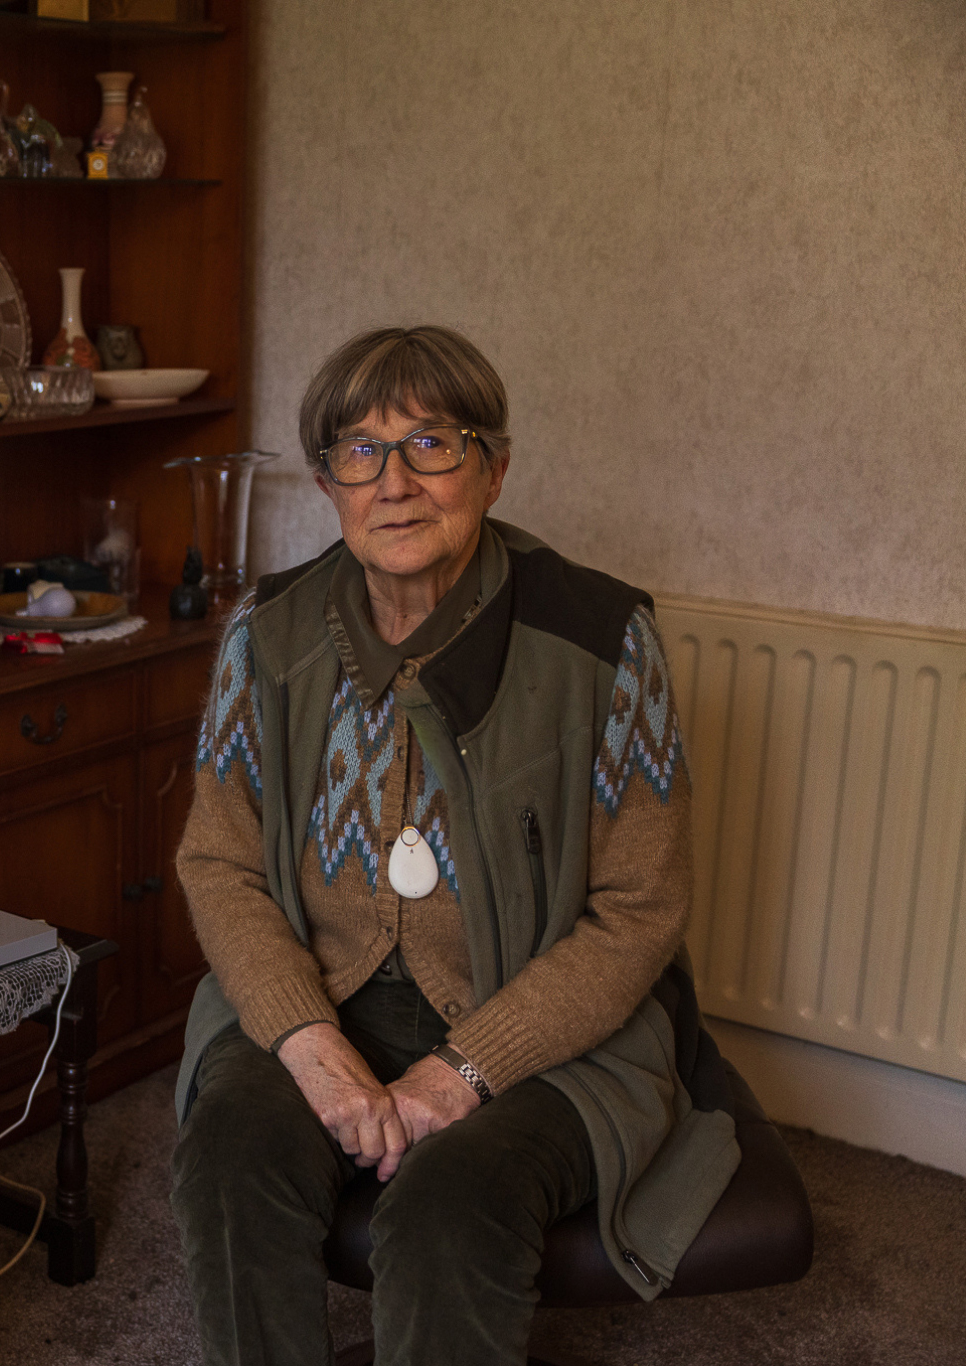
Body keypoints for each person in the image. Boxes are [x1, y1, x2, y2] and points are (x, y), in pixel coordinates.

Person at [169, 327, 740, 1365]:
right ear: (324, 482)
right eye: (358, 451)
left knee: (449, 1205)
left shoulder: (602, 639)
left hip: (538, 1015)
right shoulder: (266, 633)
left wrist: (457, 1072)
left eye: (430, 443)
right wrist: (308, 1042)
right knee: (228, 1155)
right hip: (320, 991)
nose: (392, 482)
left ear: (493, 466)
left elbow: (638, 911)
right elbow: (218, 864)